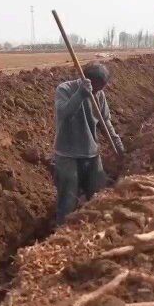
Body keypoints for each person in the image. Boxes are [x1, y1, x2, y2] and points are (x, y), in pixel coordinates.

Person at [53, 62, 124, 224]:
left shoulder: (99, 95)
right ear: (87, 79)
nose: (100, 90)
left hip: (92, 154)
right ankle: (60, 236)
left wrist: (117, 144)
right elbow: (63, 114)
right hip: (67, 155)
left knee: (99, 196)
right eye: (99, 87)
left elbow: (105, 122)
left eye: (103, 87)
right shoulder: (64, 89)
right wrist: (80, 95)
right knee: (67, 202)